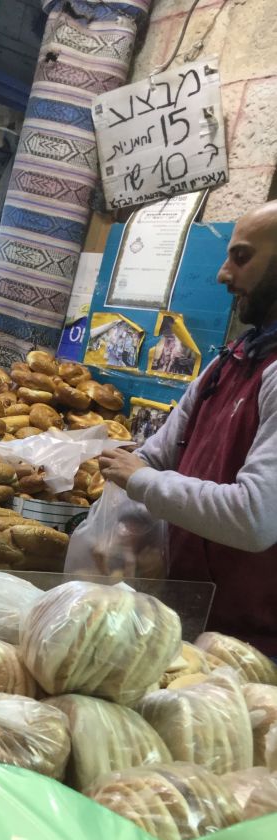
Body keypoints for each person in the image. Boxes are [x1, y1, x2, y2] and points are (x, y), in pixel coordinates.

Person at [98, 201, 277, 655]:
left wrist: (141, 481)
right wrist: (130, 525)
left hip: (254, 649)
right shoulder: (231, 362)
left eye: (241, 257)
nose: (222, 274)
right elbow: (155, 456)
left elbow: (255, 518)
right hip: (188, 624)